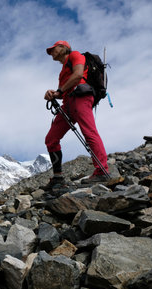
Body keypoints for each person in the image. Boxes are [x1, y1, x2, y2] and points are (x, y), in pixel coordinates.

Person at [43, 40, 108, 188]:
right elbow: (63, 91)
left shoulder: (75, 55)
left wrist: (59, 91)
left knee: (89, 132)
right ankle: (58, 177)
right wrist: (53, 94)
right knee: (51, 139)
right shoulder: (63, 71)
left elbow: (78, 75)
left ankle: (102, 171)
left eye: (54, 49)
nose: (51, 52)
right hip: (68, 103)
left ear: (63, 48)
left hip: (81, 97)